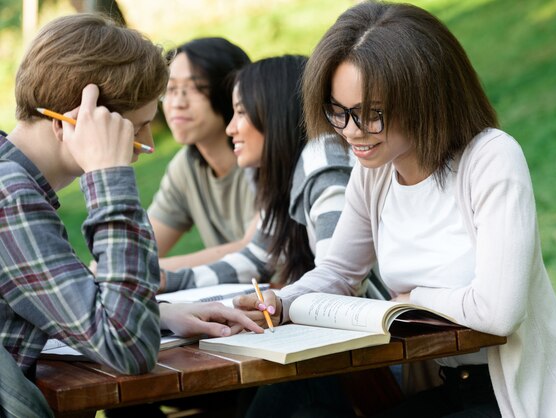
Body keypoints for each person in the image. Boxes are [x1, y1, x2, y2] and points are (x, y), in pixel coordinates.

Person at [235, 2, 556, 417]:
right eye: (339, 112)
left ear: (425, 95)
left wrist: (415, 300)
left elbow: (500, 312)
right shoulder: (373, 172)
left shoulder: (490, 158)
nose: (352, 132)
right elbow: (339, 272)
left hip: (514, 396)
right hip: (449, 389)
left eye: (371, 114)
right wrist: (282, 301)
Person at [0, 13, 262, 399]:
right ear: (78, 121)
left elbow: (71, 308)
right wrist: (109, 176)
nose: (148, 147)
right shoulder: (10, 195)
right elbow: (127, 347)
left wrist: (159, 315)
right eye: (136, 130)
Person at [161, 55, 355, 293]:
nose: (230, 129)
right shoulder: (283, 176)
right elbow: (254, 259)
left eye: (241, 112)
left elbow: (337, 280)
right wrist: (166, 280)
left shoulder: (325, 168)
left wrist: (280, 303)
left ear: (274, 113)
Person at [150, 37, 257, 271]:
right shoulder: (186, 167)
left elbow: (255, 252)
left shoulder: (262, 158)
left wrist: (149, 273)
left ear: (231, 90)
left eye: (191, 88)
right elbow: (142, 247)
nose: (176, 102)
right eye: (170, 89)